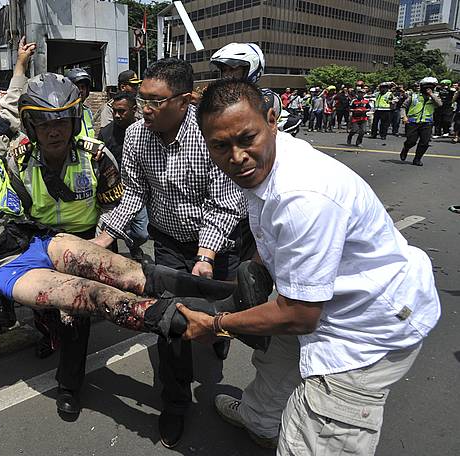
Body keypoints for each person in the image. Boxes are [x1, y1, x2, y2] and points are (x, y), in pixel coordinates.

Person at [0, 115, 271, 387]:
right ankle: (221, 324)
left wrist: (22, 65)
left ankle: (233, 297)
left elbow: (15, 108)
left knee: (127, 271)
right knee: (92, 296)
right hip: (7, 267)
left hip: (37, 239)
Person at [181, 79, 440, 453]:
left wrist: (216, 324)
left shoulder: (303, 196)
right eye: (221, 146)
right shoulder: (269, 160)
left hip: (366, 331)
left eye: (246, 139)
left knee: (315, 435)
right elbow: (273, 238)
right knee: (275, 360)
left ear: (273, 120)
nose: (236, 157)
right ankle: (258, 419)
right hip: (322, 302)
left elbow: (300, 315)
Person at [92, 58, 250, 448]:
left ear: (185, 100)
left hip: (215, 242)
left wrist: (206, 255)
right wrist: (104, 237)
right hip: (166, 242)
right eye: (140, 98)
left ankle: (218, 331)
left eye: (155, 101)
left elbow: (226, 203)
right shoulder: (135, 136)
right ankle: (175, 404)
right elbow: (133, 194)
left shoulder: (210, 133)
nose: (144, 108)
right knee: (170, 321)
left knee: (218, 314)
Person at [5, 72, 123, 415]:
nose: (53, 131)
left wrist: (100, 242)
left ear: (73, 122)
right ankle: (47, 326)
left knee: (75, 316)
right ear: (30, 126)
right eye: (43, 124)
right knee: (41, 303)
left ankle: (69, 386)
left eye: (60, 122)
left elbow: (115, 207)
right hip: (42, 242)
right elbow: (16, 211)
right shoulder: (17, 161)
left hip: (91, 240)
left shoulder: (97, 156)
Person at [97, 93, 149, 261]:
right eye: (115, 111)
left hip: (137, 190)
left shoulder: (144, 131)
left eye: (122, 111)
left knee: (142, 233)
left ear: (134, 110)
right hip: (112, 192)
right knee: (108, 230)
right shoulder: (105, 133)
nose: (117, 115)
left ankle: (132, 244)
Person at [400, 77, 442, 166]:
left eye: (431, 87)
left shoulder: (435, 97)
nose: (428, 89)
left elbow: (439, 104)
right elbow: (403, 107)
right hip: (412, 122)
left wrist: (431, 95)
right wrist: (404, 117)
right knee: (411, 141)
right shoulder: (413, 96)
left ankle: (417, 159)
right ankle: (405, 148)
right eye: (427, 87)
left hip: (427, 123)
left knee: (424, 142)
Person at [64, 68, 95, 138]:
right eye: (77, 87)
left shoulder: (87, 111)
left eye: (83, 87)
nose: (80, 90)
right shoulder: (63, 113)